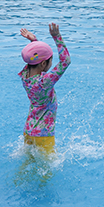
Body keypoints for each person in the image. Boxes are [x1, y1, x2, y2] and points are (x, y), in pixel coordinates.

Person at [18, 23, 71, 154]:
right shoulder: (44, 82)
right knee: (48, 170)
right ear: (43, 63)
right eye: (50, 61)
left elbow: (32, 60)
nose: (51, 63)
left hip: (29, 130)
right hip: (44, 134)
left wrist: (33, 42)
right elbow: (66, 61)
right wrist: (57, 37)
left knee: (27, 163)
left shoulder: (24, 75)